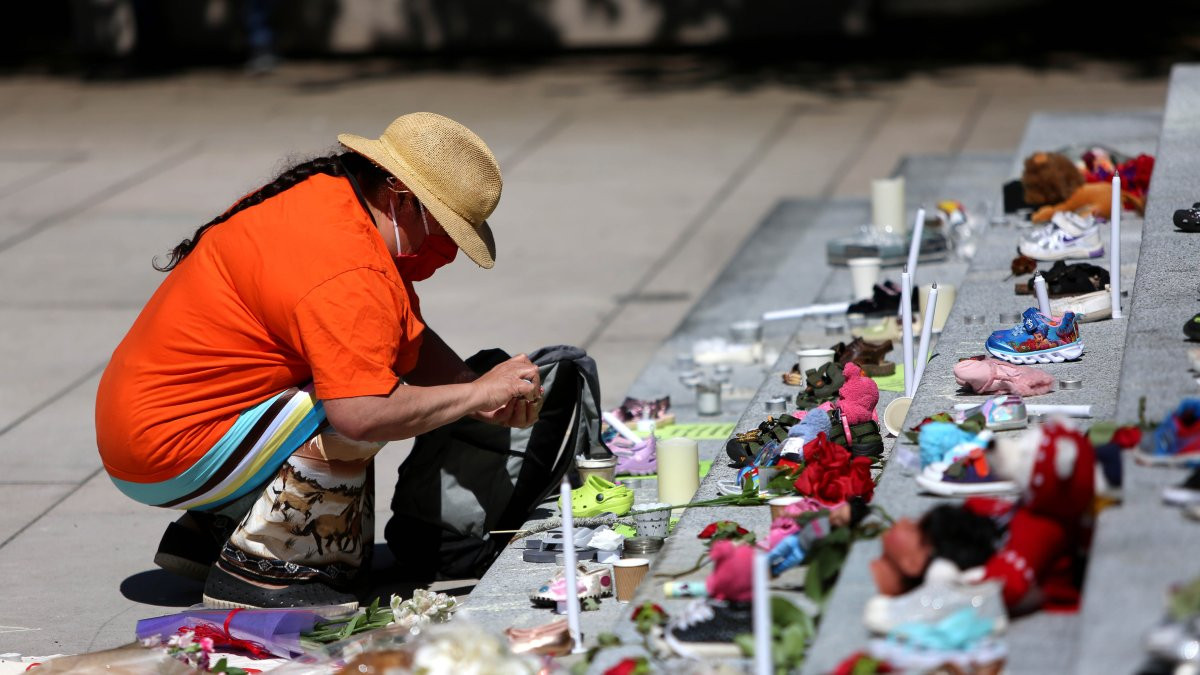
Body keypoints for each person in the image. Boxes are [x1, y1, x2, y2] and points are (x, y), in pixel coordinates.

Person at [95, 112, 543, 609]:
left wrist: (472, 390)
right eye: (445, 227)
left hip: (139, 428)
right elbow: (363, 411)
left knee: (359, 368)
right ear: (400, 197)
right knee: (362, 392)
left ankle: (215, 532)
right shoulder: (352, 268)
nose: (448, 251)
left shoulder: (328, 198)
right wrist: (478, 392)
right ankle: (273, 570)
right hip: (170, 451)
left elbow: (400, 337)